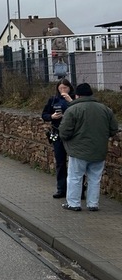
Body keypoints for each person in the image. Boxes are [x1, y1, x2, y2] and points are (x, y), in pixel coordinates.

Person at [59, 83, 119, 211]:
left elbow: (64, 132)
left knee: (75, 177)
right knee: (95, 178)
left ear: (76, 95)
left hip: (78, 151)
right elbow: (114, 129)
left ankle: (74, 204)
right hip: (99, 150)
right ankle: (93, 204)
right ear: (91, 94)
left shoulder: (73, 109)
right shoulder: (105, 109)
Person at [41, 78, 75, 199]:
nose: (62, 90)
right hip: (57, 132)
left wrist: (70, 101)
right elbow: (44, 115)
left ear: (69, 88)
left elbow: (79, 112)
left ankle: (78, 190)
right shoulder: (53, 100)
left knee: (75, 164)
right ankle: (61, 189)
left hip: (72, 135)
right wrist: (52, 116)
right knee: (60, 162)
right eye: (60, 88)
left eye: (65, 88)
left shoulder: (75, 99)